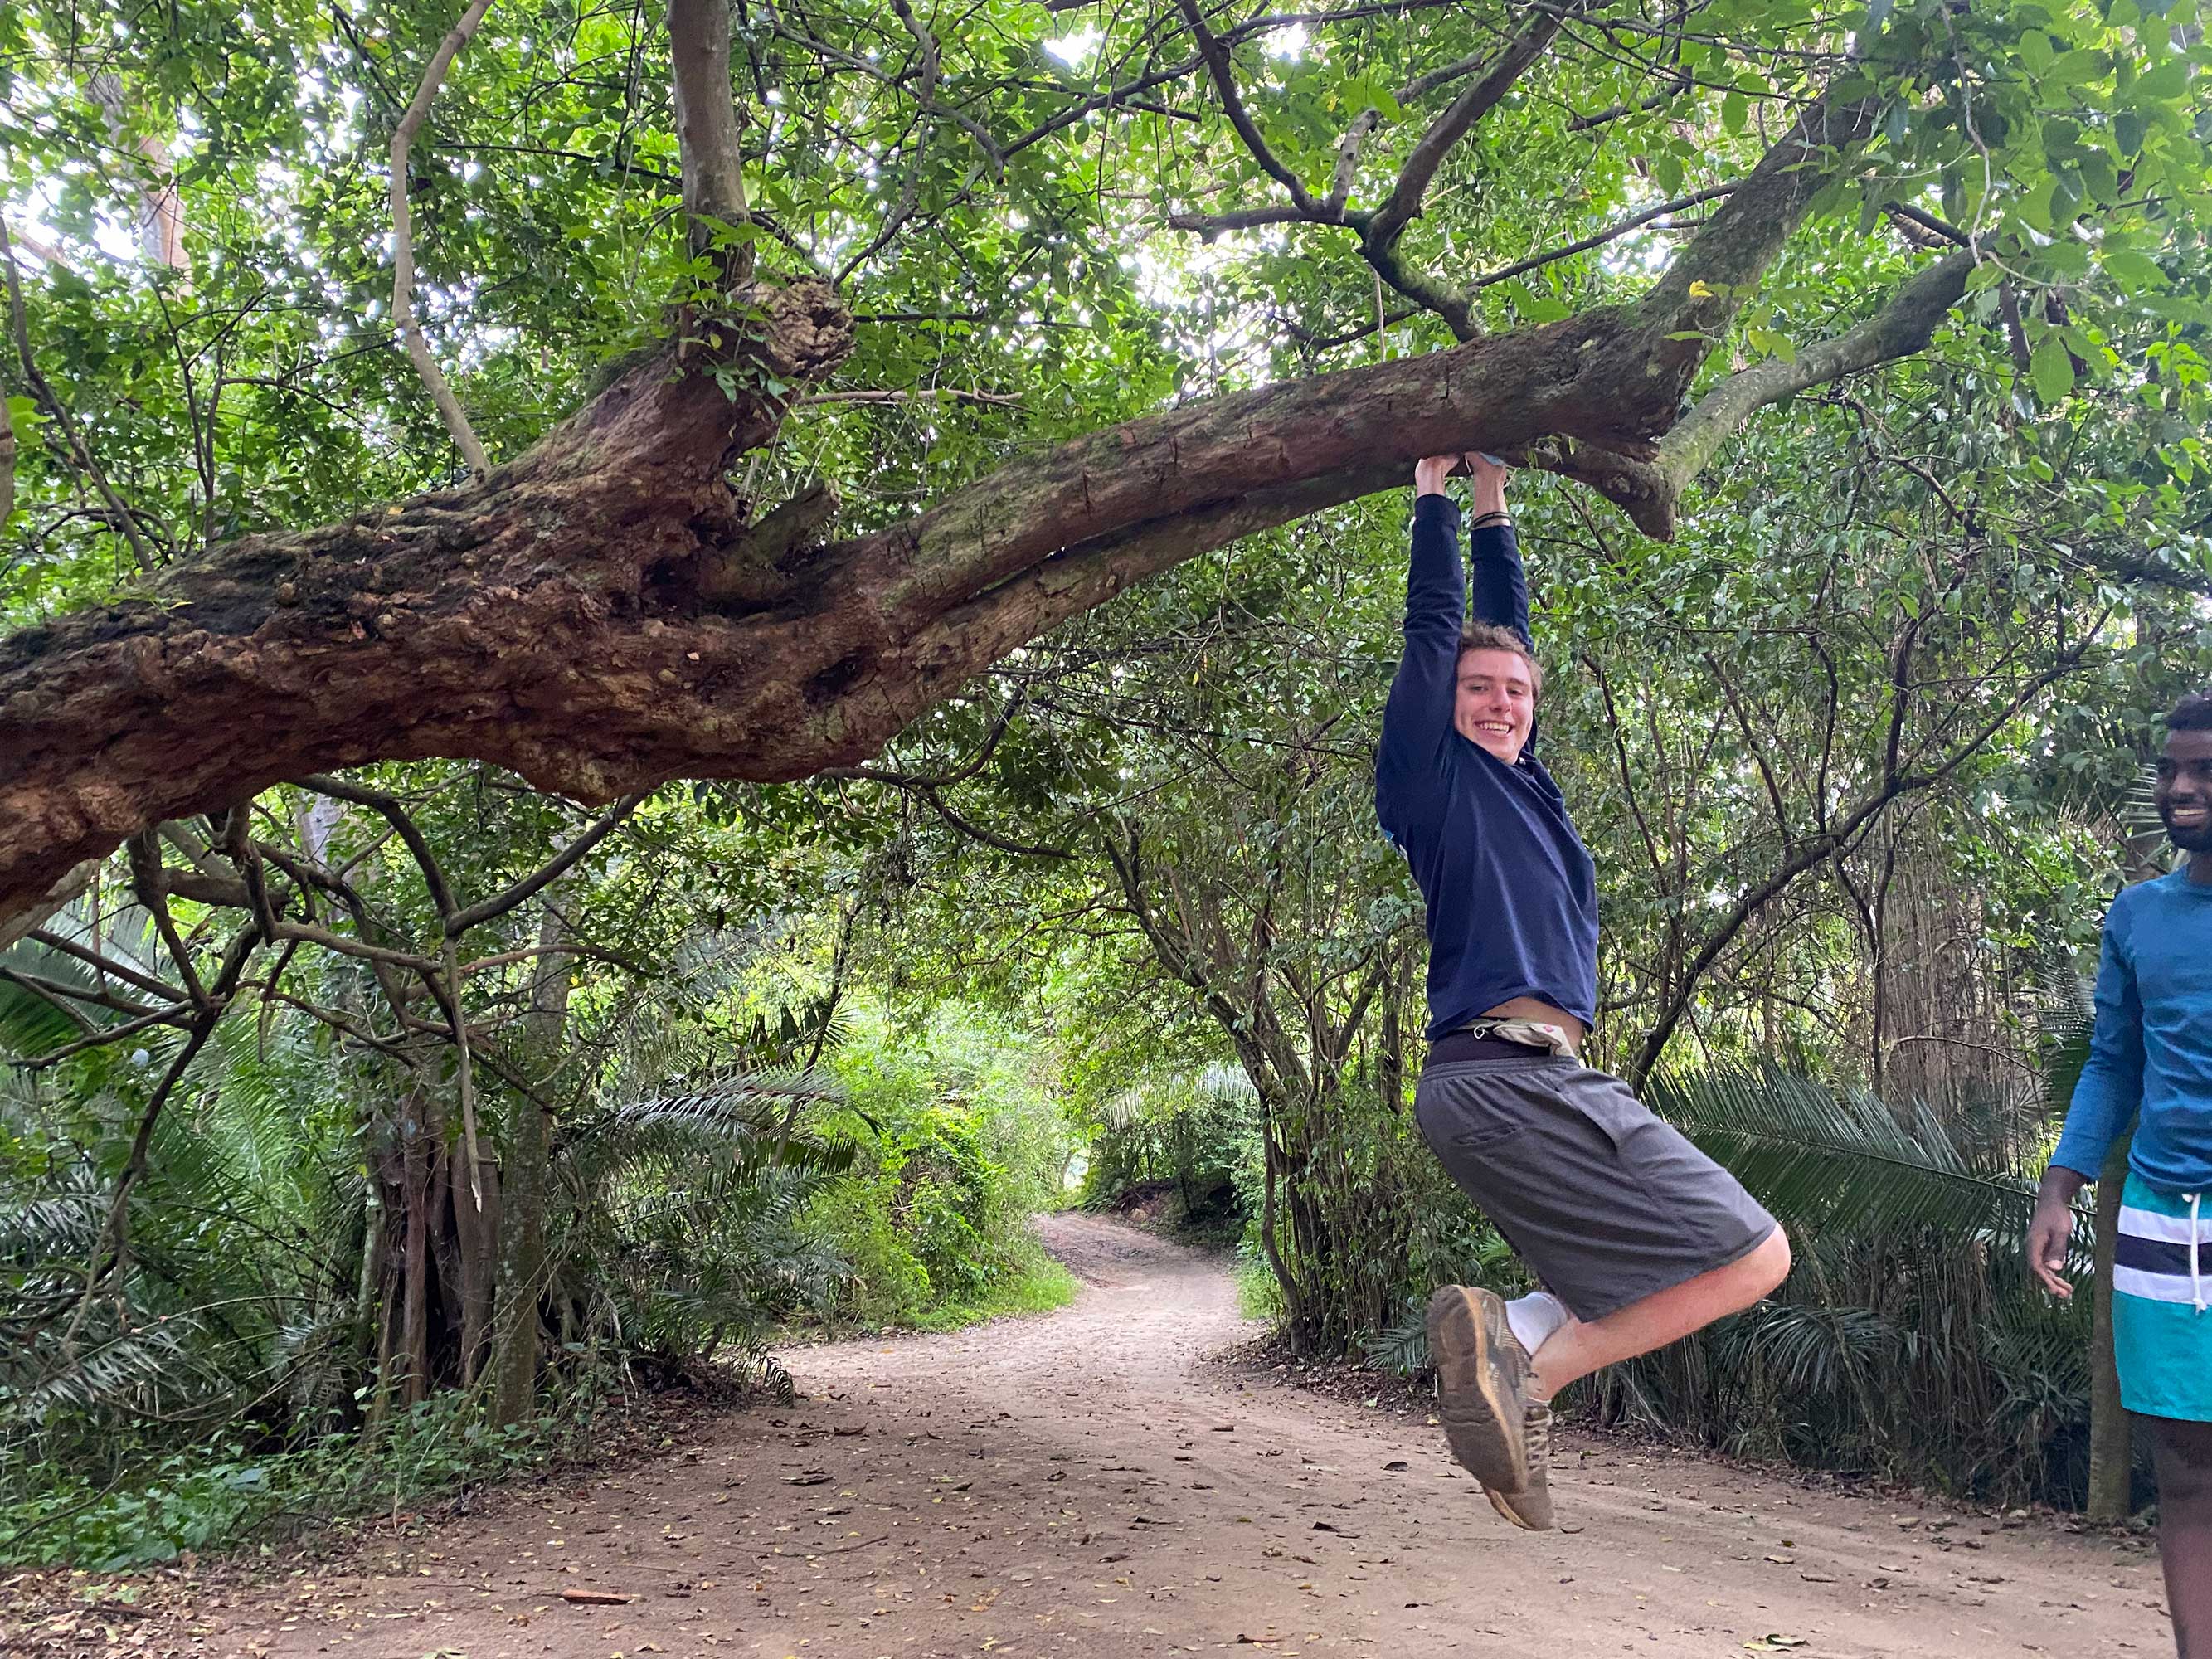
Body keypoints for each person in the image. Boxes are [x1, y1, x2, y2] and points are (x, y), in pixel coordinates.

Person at [1375, 453, 1791, 1530]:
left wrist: (1492, 504)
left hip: (1519, 1084)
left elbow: (1506, 635)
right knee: (1754, 1252)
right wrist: (1428, 496)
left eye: (1515, 694)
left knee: (1644, 1270)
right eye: (1477, 693)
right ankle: (1527, 1373)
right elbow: (1437, 638)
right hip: (1503, 1077)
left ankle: (1513, 1327)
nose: (1499, 705)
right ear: (1443, 708)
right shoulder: (1432, 786)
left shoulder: (1530, 787)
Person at [2029, 688, 2212, 1659]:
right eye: (2169, 768)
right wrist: (2061, 1185)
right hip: (2156, 1223)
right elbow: (2113, 1060)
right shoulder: (2139, 914)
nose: (2180, 787)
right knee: (2185, 1473)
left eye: (2204, 769)